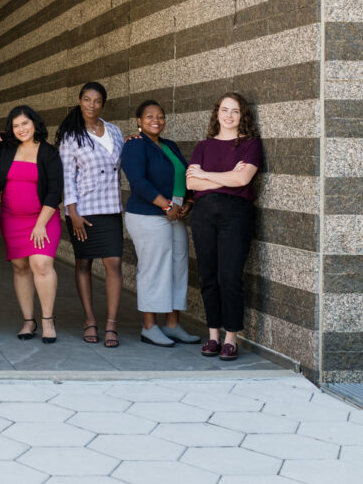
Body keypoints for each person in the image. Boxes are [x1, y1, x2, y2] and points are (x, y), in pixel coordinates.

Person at [187, 93, 262, 361]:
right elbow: (191, 184)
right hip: (203, 214)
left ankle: (231, 338)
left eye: (235, 111)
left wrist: (206, 174)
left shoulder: (249, 145)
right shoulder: (203, 146)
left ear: (243, 116)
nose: (229, 115)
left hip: (236, 215)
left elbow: (243, 179)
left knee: (229, 276)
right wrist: (226, 178)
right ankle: (213, 336)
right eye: (225, 110)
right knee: (208, 275)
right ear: (217, 113)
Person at [120, 100, 198, 347]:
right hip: (148, 214)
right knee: (154, 269)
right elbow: (138, 182)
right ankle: (149, 327)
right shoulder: (134, 145)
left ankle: (173, 325)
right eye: (149, 116)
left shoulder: (170, 146)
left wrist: (189, 201)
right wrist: (165, 205)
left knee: (177, 267)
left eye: (160, 116)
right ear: (139, 122)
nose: (156, 120)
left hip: (175, 213)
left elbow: (184, 178)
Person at [55, 82, 125, 348]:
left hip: (111, 209)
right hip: (82, 212)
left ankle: (111, 325)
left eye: (97, 101)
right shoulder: (71, 136)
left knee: (114, 264)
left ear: (103, 104)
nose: (91, 105)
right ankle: (89, 320)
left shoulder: (115, 132)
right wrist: (72, 212)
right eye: (87, 99)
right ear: (80, 100)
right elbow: (66, 176)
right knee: (84, 263)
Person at [0, 105, 63, 344]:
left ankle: (47, 320)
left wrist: (41, 224)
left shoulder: (48, 152)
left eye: (25, 123)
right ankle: (28, 320)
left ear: (35, 123)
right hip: (11, 218)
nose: (21, 129)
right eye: (16, 125)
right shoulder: (6, 148)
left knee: (41, 263)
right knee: (20, 268)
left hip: (43, 218)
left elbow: (55, 191)